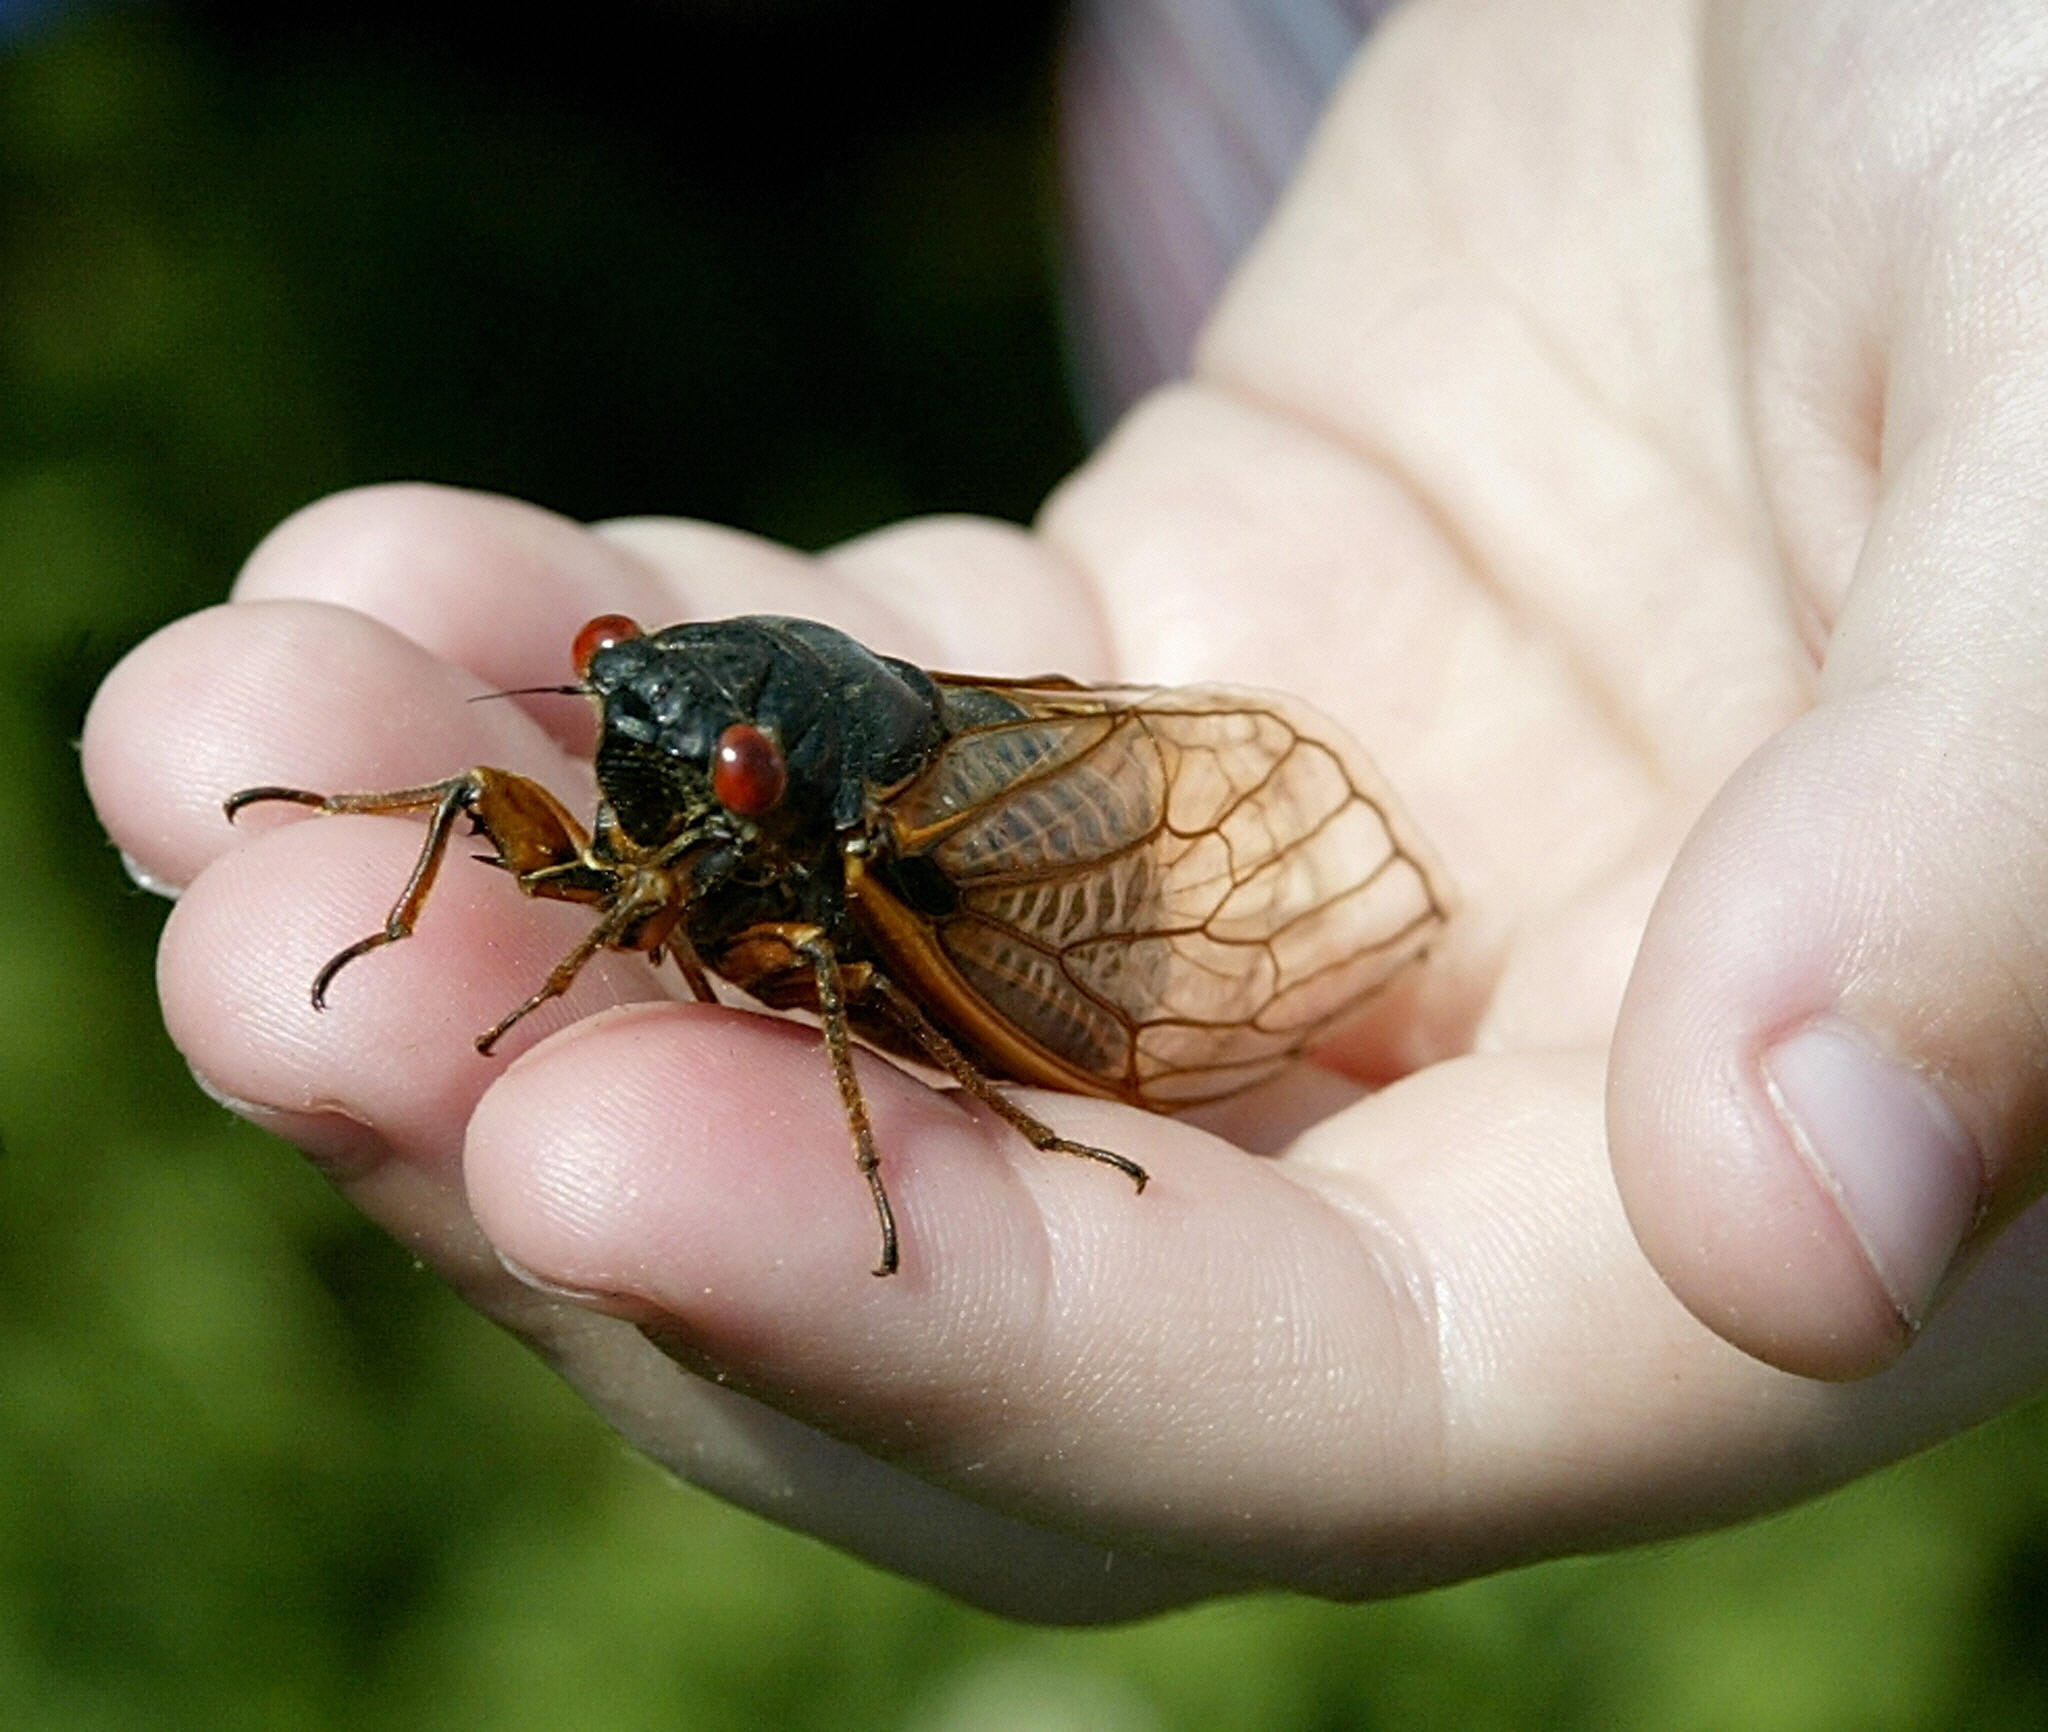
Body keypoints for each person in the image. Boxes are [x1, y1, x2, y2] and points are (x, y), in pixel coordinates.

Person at [80, 0, 2048, 1620]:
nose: (640, 762)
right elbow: (606, 818)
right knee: (458, 782)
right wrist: (464, 896)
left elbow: (828, 965)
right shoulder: (654, 759)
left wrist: (961, 1101)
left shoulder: (812, 834)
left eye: (717, 774)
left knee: (860, 960)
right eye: (608, 691)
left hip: (974, 820)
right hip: (1232, 152)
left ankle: (994, 1088)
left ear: (771, 782)